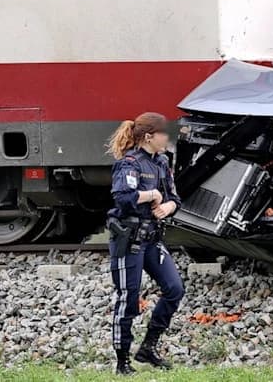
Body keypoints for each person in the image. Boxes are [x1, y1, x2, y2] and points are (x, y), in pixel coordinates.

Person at [105, 112, 184, 375]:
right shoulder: (129, 163)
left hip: (152, 239)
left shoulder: (162, 162)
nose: (167, 138)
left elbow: (174, 198)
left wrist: (169, 206)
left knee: (174, 288)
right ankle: (122, 362)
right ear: (149, 136)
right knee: (128, 299)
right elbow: (123, 198)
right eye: (163, 134)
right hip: (129, 241)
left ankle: (148, 347)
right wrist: (151, 194)